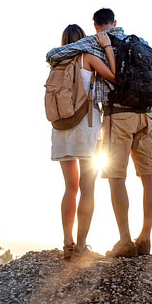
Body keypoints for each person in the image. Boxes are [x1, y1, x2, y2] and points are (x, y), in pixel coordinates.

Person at [46, 8, 152, 258]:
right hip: (132, 117)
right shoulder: (137, 44)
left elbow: (53, 63)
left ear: (96, 27)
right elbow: (141, 78)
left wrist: (104, 46)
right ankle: (140, 238)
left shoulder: (70, 55)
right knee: (145, 176)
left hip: (72, 125)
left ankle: (83, 243)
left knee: (83, 185)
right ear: (114, 23)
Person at [49, 24, 116, 260]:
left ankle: (67, 243)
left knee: (70, 187)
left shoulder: (56, 63)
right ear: (82, 39)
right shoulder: (87, 57)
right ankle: (81, 246)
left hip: (61, 129)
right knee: (88, 187)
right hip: (86, 126)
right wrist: (107, 49)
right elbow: (113, 76)